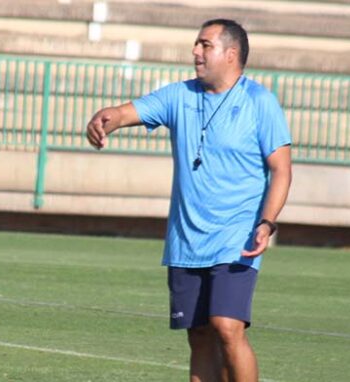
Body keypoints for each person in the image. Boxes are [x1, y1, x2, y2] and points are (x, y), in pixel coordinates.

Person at [86, 19, 292, 382]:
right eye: (196, 44)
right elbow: (125, 112)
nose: (195, 52)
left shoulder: (259, 102)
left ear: (231, 54)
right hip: (185, 241)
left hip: (237, 239)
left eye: (204, 45)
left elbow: (281, 169)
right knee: (199, 337)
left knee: (227, 328)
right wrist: (106, 119)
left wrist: (267, 221)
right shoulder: (178, 96)